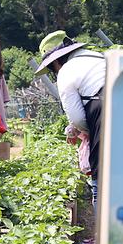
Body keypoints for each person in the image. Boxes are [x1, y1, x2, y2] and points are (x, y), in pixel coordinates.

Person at [34, 30, 105, 205]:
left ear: (57, 61)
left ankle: (105, 231)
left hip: (104, 111)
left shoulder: (66, 71)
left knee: (101, 184)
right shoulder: (99, 57)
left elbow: (78, 118)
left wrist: (87, 133)